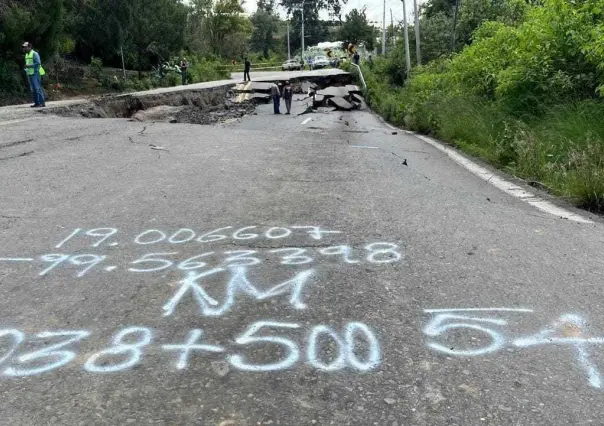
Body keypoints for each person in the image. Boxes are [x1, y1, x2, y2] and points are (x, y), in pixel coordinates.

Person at [22, 42, 46, 108]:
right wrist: (26, 67)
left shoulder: (34, 54)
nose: (24, 48)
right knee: (33, 89)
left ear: (30, 47)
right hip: (30, 73)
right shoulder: (26, 55)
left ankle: (41, 103)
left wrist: (29, 66)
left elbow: (38, 63)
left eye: (25, 47)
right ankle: (37, 103)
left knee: (37, 88)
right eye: (24, 47)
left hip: (35, 73)